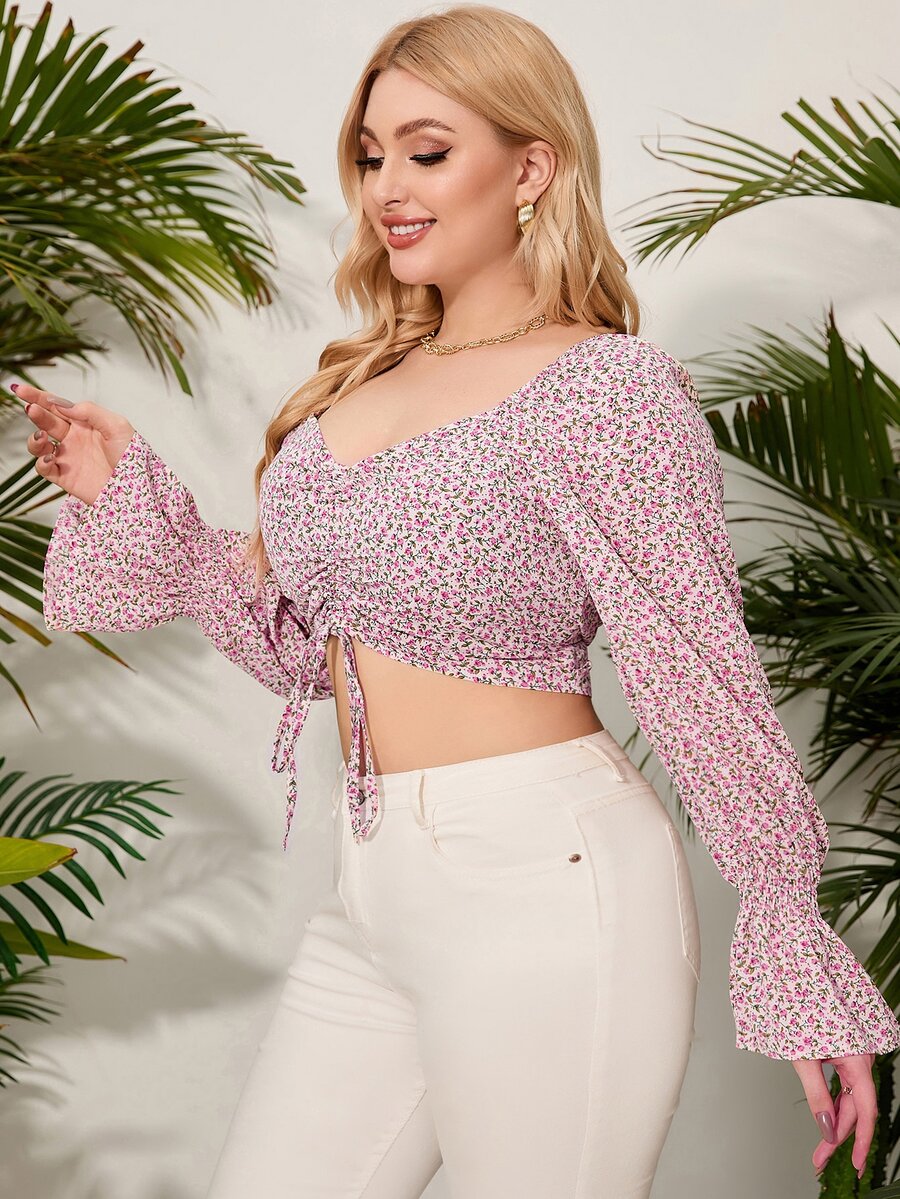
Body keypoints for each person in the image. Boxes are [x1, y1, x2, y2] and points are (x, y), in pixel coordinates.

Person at [16, 5, 899, 1196]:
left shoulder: (604, 388)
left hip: (547, 877)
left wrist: (790, 927)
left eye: (427, 151)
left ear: (531, 168)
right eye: (372, 154)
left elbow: (695, 666)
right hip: (370, 883)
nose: (389, 186)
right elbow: (309, 653)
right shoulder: (361, 383)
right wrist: (136, 497)